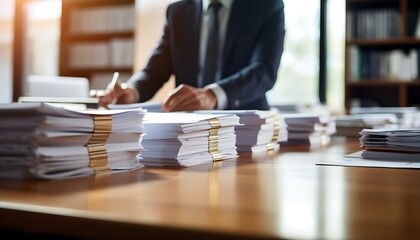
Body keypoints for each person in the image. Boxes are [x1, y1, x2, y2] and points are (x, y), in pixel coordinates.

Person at [99, 0, 285, 111]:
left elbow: (265, 70)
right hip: (188, 134)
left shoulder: (266, 5)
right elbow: (155, 70)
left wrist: (213, 95)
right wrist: (131, 90)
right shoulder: (178, 11)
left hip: (247, 130)